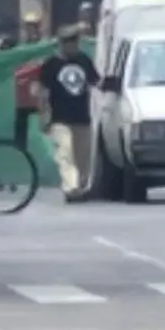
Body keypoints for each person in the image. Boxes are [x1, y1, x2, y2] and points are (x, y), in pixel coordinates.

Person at [38, 25, 100, 202]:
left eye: (75, 42)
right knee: (65, 152)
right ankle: (70, 187)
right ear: (62, 44)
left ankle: (82, 186)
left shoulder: (84, 60)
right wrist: (43, 114)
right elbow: (43, 92)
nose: (73, 46)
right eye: (69, 43)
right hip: (60, 116)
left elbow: (95, 81)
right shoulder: (51, 64)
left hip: (82, 115)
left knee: (83, 155)